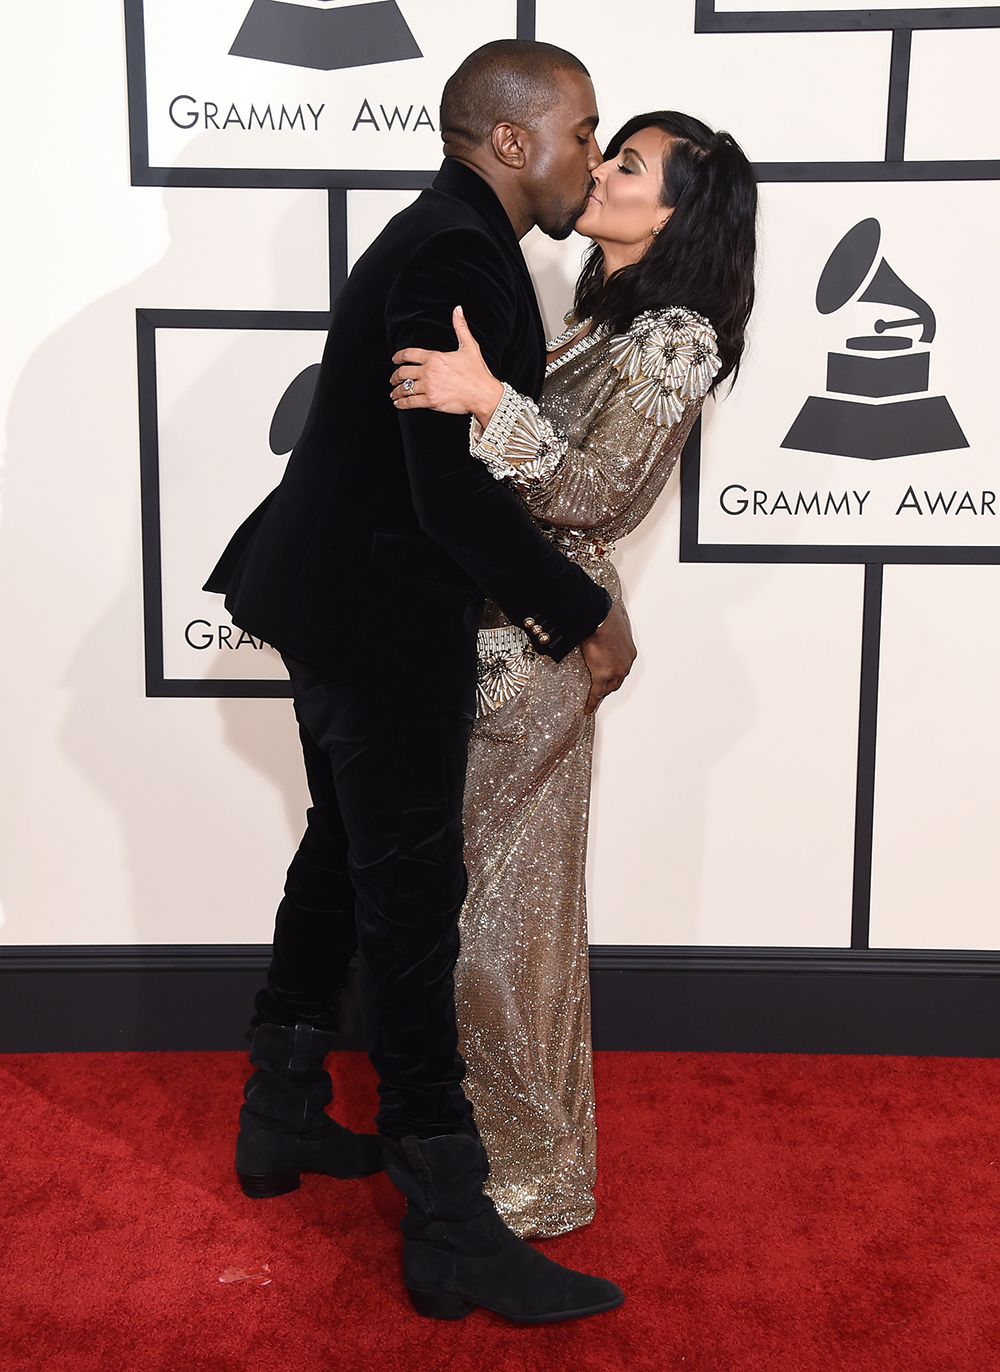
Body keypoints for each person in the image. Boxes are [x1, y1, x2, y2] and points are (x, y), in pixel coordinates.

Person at [203, 40, 636, 1324]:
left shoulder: (445, 236)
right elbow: (446, 488)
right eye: (580, 132)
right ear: (509, 140)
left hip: (335, 600)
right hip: (382, 619)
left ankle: (280, 1111)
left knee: (340, 856)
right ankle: (448, 1219)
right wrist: (583, 612)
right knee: (411, 909)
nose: (589, 161)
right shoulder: (456, 254)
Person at [389, 111, 757, 1238]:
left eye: (628, 165)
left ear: (676, 215)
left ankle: (524, 1176)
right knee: (505, 911)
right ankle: (520, 1160)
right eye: (606, 151)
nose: (598, 170)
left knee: (504, 922)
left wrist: (489, 404)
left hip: (533, 652)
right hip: (510, 634)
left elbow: (600, 497)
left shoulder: (676, 336)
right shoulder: (606, 317)